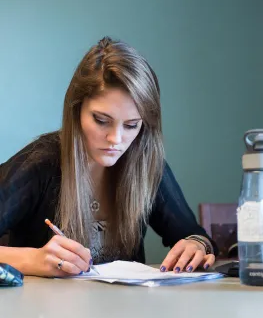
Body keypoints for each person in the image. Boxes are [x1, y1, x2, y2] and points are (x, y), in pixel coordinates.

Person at [0, 36, 217, 277]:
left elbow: (194, 236)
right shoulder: (39, 162)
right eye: (102, 121)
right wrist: (32, 259)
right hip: (37, 311)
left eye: (132, 125)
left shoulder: (145, 164)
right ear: (76, 110)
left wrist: (197, 245)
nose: (116, 138)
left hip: (123, 312)